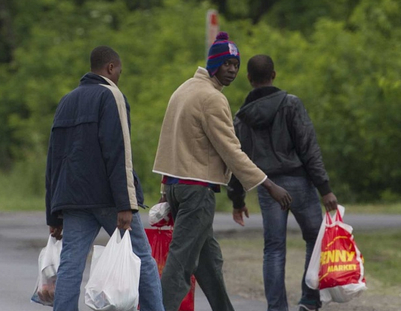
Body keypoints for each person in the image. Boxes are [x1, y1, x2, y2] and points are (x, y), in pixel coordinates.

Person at [152, 32, 293, 311]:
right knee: (180, 265)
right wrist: (267, 184)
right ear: (213, 63)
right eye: (227, 63)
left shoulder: (184, 89)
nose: (232, 70)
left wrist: (165, 190)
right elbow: (231, 149)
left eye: (236, 65)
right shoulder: (212, 98)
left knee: (208, 262)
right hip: (197, 192)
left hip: (178, 187)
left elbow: (169, 142)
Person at [44, 46, 164, 311]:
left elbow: (53, 160)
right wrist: (126, 204)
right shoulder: (111, 95)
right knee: (142, 258)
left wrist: (53, 215)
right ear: (111, 68)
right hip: (109, 199)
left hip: (73, 200)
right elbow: (118, 151)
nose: (119, 75)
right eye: (119, 70)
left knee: (70, 266)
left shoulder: (67, 101)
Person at [228, 54, 338, 311]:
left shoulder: (242, 117)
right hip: (299, 182)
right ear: (274, 75)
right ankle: (309, 300)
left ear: (249, 79)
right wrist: (325, 189)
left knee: (274, 249)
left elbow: (236, 160)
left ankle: (276, 308)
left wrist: (237, 199)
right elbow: (309, 148)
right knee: (315, 237)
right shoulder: (291, 104)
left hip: (268, 188)